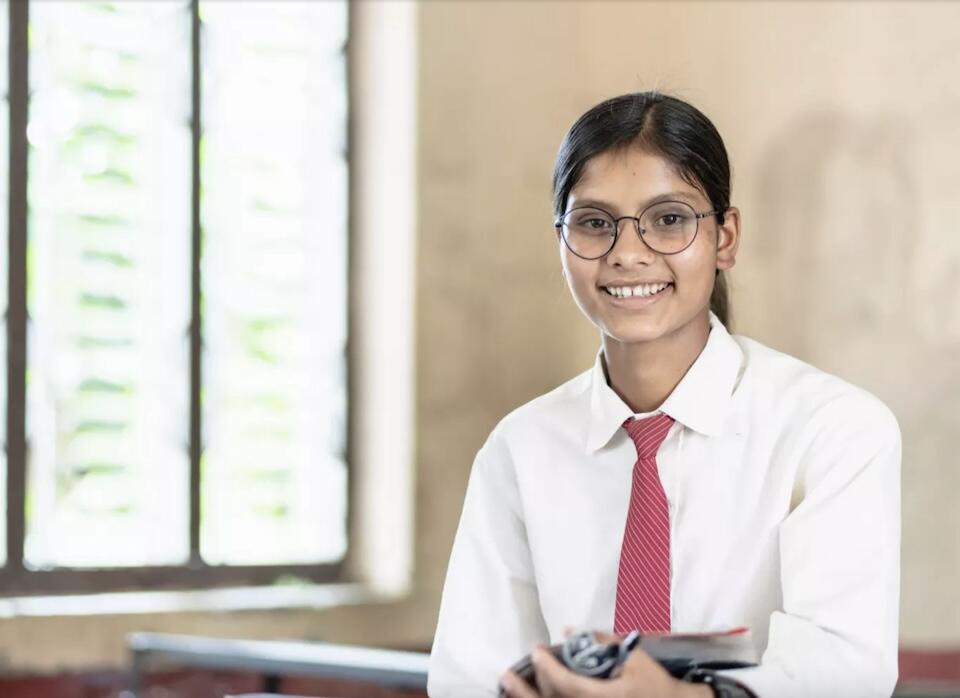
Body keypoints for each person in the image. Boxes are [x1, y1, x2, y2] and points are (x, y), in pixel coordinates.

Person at [427, 92, 900, 698]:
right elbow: (469, 675)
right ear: (561, 241)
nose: (627, 253)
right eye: (594, 223)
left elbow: (845, 669)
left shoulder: (833, 429)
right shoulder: (520, 448)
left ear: (725, 238)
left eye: (669, 219)